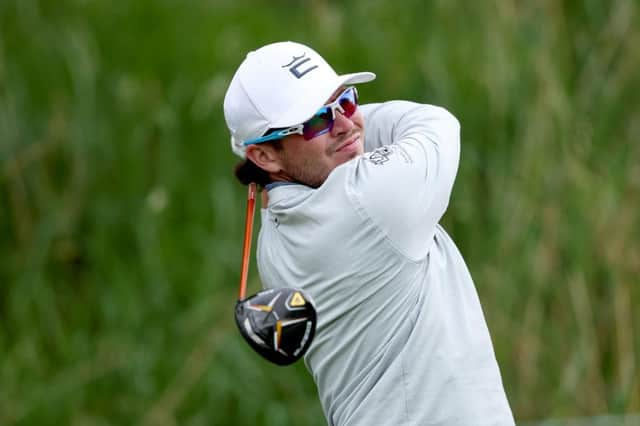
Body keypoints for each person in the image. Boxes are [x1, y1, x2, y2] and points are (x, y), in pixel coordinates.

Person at [223, 41, 515, 426]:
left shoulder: (273, 239)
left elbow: (340, 142)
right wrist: (354, 127)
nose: (345, 123)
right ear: (265, 156)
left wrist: (334, 129)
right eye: (315, 122)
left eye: (346, 102)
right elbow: (436, 123)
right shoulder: (368, 202)